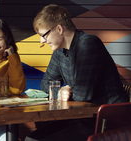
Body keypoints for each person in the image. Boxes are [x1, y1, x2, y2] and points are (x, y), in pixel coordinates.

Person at [25, 4, 129, 141]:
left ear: (59, 29)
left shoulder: (88, 44)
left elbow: (83, 95)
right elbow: (46, 83)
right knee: (32, 139)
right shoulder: (59, 51)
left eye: (44, 35)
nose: (41, 41)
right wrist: (63, 89)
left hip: (106, 120)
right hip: (81, 117)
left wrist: (68, 90)